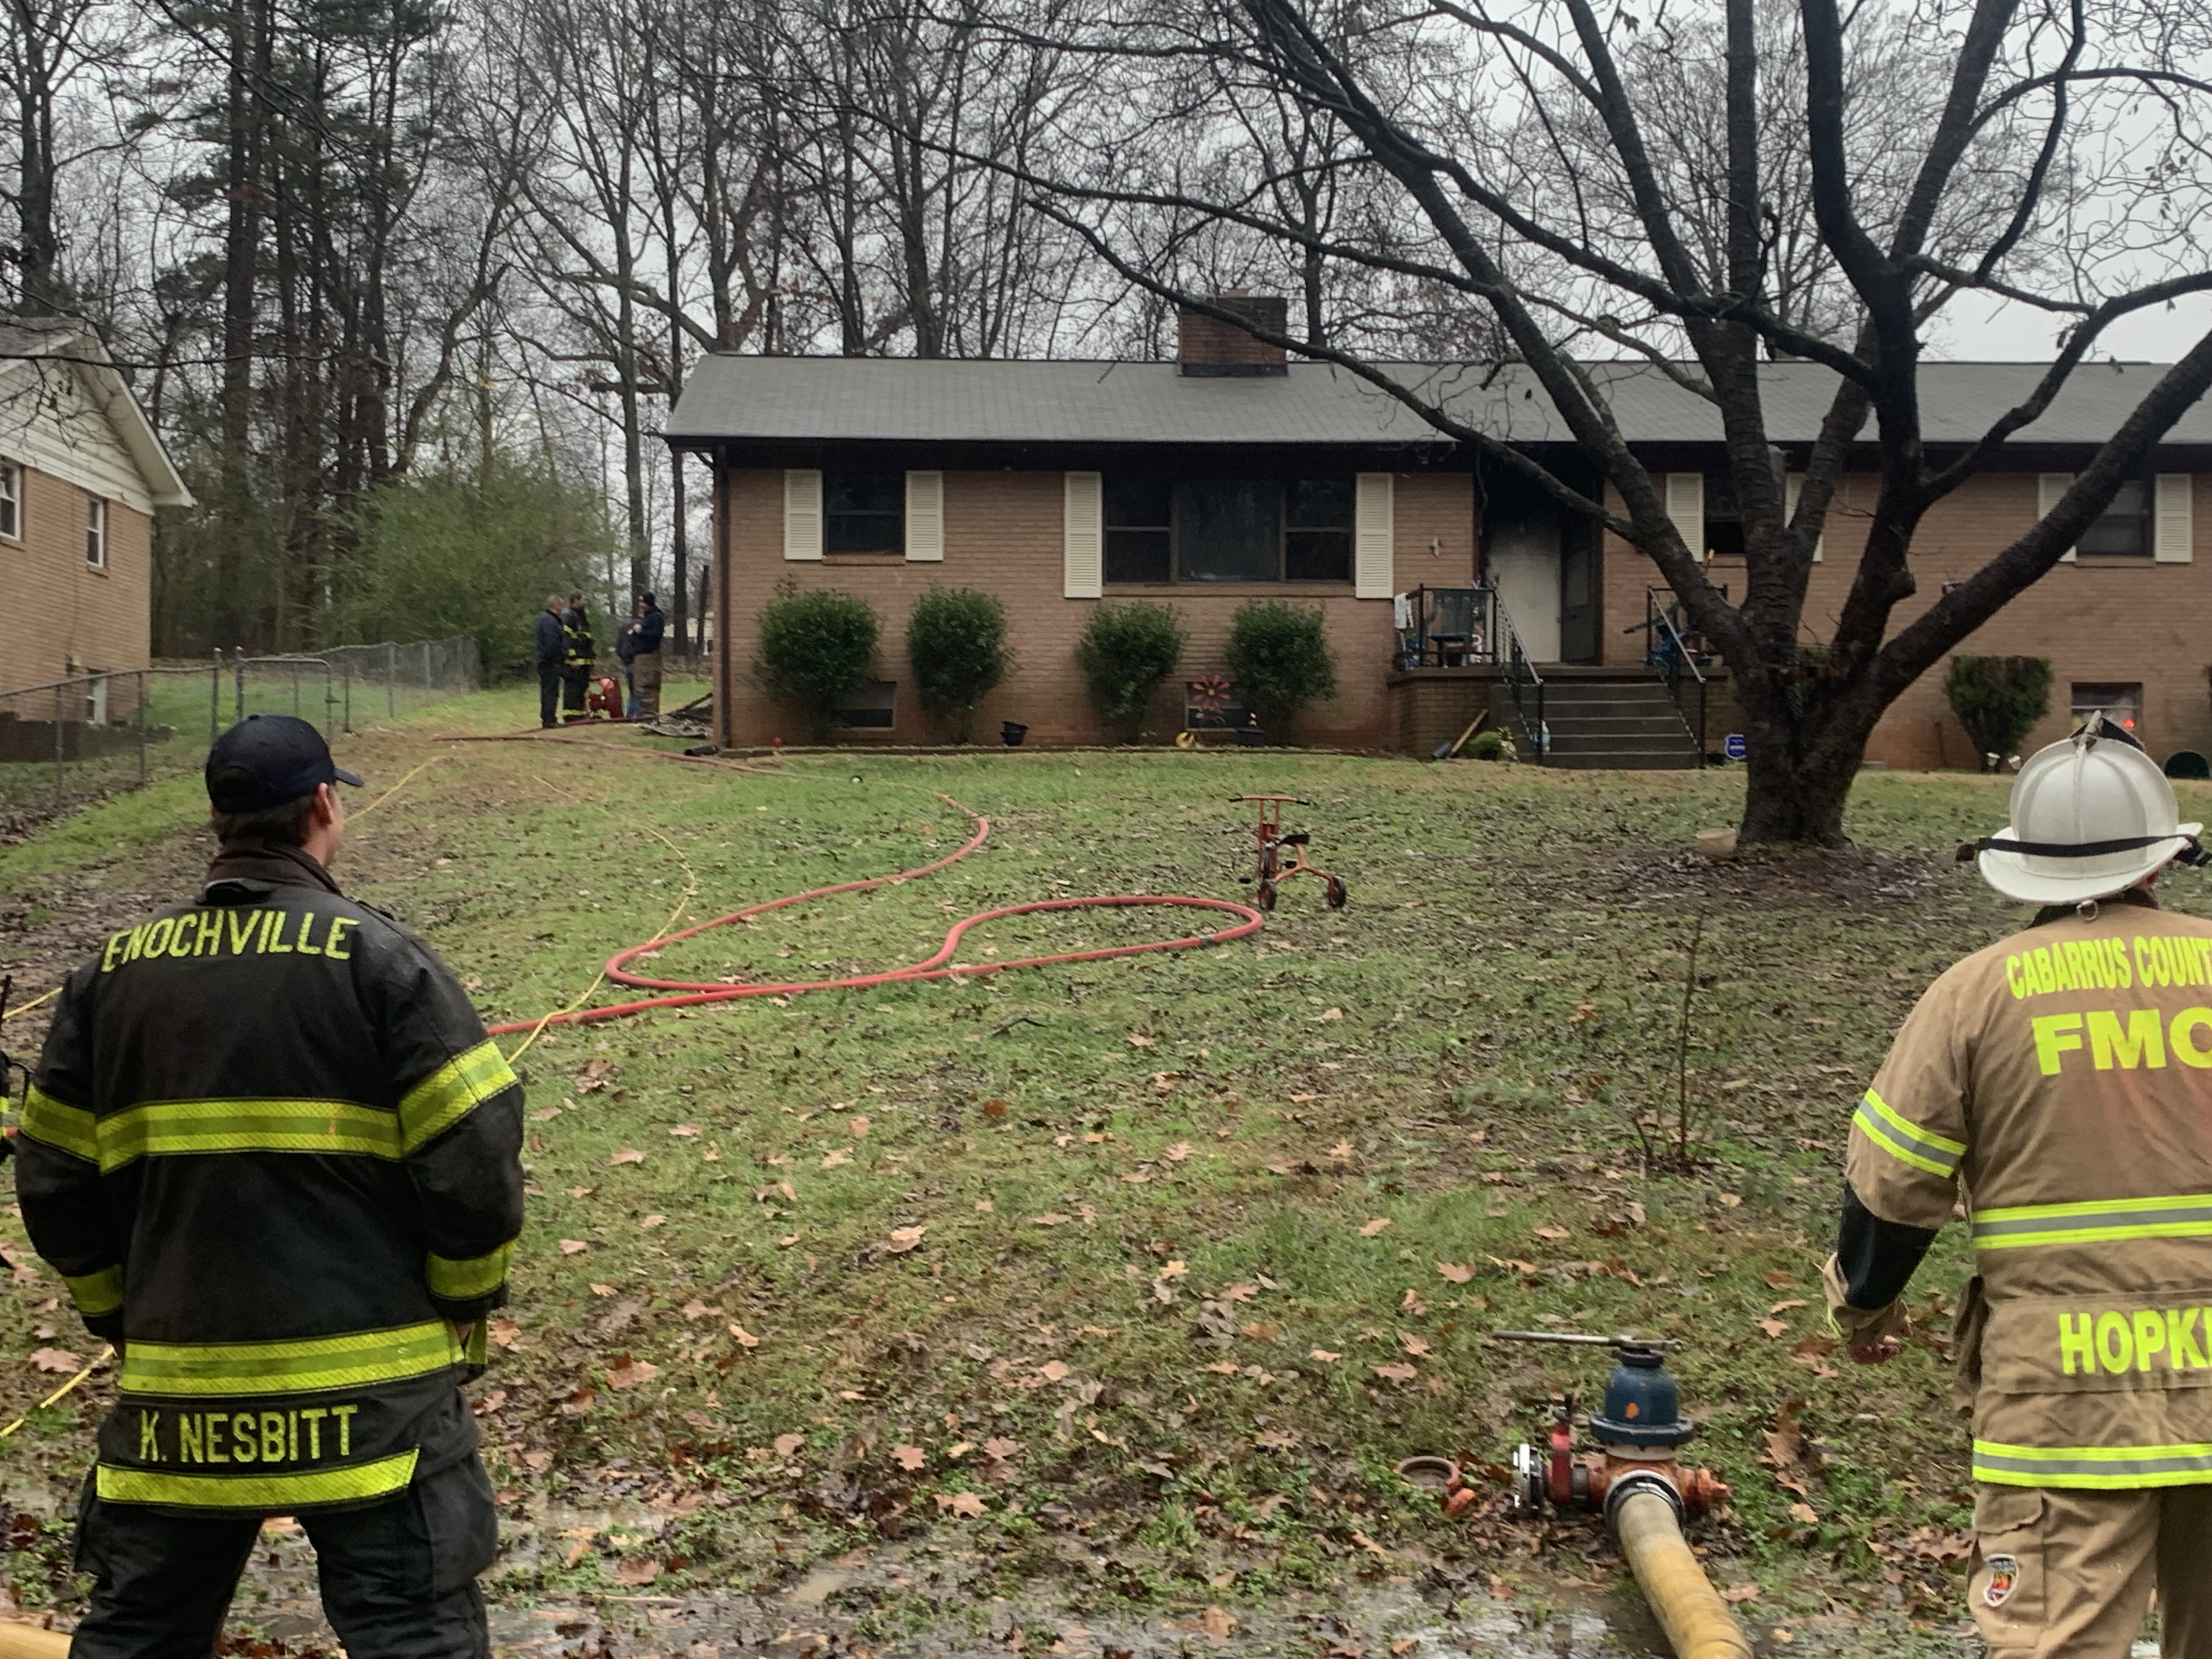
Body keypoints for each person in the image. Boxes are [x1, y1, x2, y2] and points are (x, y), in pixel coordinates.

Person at [15, 714, 526, 1658]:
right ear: (324, 805)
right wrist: (462, 1301)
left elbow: (49, 1174)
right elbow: (475, 1157)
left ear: (217, 817)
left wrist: (120, 1311)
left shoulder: (107, 979)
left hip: (179, 1408)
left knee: (138, 1634)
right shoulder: (381, 961)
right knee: (413, 1634)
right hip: (377, 1410)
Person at [1824, 714, 2212, 1655]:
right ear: (2156, 861)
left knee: (2055, 1640)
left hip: (2064, 1393)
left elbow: (1889, 1181)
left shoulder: (1975, 994)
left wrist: (1863, 1306)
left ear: (2022, 864)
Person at [560, 591, 594, 724]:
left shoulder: (582, 616)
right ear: (575, 600)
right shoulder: (569, 616)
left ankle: (578, 715)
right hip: (575, 662)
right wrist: (572, 657)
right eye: (583, 600)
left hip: (584, 661)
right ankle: (570, 716)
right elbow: (566, 638)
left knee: (581, 688)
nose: (585, 602)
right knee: (573, 689)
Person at [533, 593, 565, 730]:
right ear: (556, 605)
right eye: (561, 606)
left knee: (548, 691)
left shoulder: (545, 619)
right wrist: (557, 660)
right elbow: (552, 643)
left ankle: (548, 718)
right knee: (551, 691)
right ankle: (549, 719)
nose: (562, 609)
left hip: (545, 661)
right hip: (549, 663)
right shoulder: (550, 621)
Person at [630, 592, 665, 719]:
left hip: (650, 657)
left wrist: (640, 632)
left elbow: (656, 635)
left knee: (648, 685)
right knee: (640, 688)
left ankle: (649, 716)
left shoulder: (656, 617)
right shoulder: (646, 618)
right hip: (641, 657)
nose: (640, 605)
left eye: (643, 602)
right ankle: (642, 714)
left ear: (649, 603)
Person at [614, 597, 640, 717]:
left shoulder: (623, 627)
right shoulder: (640, 627)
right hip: (636, 661)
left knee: (631, 690)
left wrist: (624, 659)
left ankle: (630, 713)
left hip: (627, 662)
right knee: (639, 690)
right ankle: (636, 714)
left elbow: (619, 647)